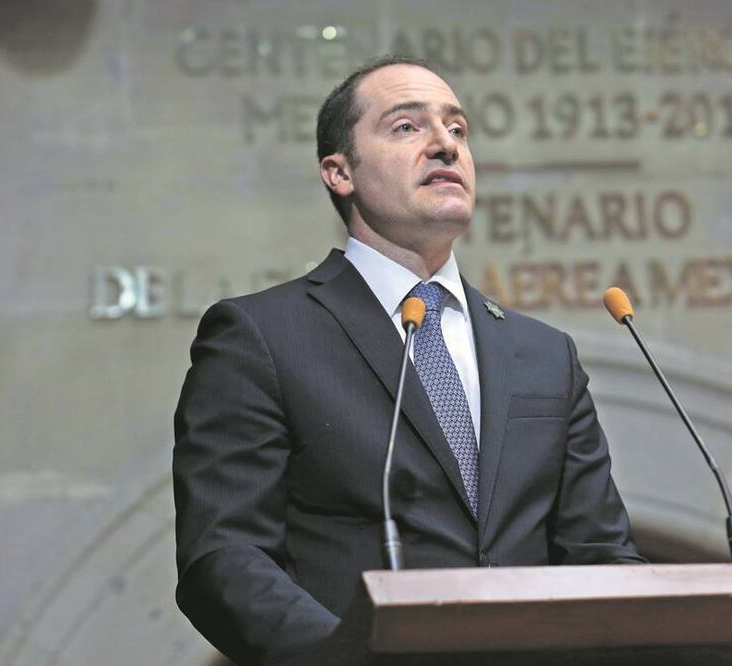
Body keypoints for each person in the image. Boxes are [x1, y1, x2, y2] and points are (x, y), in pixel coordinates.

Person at [172, 55, 645, 666]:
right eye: (406, 127)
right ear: (339, 173)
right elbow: (224, 557)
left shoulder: (544, 354)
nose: (445, 145)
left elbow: (603, 556)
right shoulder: (260, 335)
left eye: (457, 128)